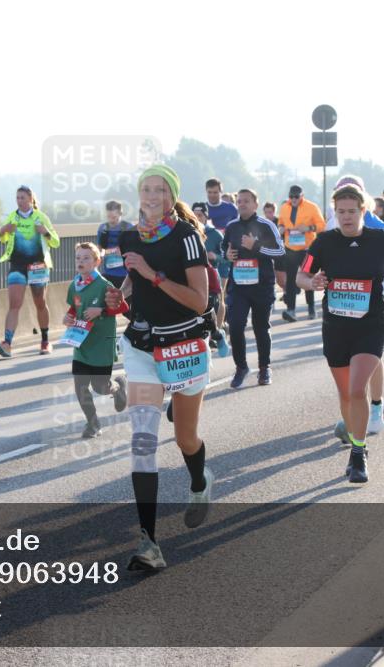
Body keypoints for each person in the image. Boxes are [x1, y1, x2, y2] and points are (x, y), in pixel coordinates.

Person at [103, 164, 212, 571]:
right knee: (143, 441)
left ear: (170, 196)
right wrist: (120, 296)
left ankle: (200, 483)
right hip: (142, 348)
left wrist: (153, 276)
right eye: (145, 189)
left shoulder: (186, 236)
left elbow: (199, 300)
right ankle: (149, 543)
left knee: (186, 438)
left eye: (158, 190)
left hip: (184, 344)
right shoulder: (129, 235)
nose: (150, 196)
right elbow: (132, 284)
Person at [298, 184, 384, 483]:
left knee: (357, 389)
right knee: (346, 394)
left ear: (363, 212)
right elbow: (300, 275)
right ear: (334, 212)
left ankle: (358, 453)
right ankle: (356, 437)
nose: (346, 217)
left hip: (370, 324)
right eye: (340, 212)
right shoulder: (322, 243)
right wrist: (312, 283)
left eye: (351, 212)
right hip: (336, 326)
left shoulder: (379, 239)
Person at [326, 175, 384, 440]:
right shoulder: (333, 223)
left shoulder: (376, 226)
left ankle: (375, 407)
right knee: (348, 372)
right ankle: (354, 416)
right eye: (341, 202)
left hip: (375, 307)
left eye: (352, 207)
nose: (346, 214)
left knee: (370, 360)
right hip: (341, 311)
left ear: (362, 202)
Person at [61, 242, 129, 438]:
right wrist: (68, 317)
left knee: (100, 387)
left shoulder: (104, 285)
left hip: (101, 343)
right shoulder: (75, 285)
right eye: (78, 258)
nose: (81, 262)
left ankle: (117, 387)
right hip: (81, 344)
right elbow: (74, 308)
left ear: (97, 261)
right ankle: (93, 423)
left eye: (86, 258)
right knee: (80, 386)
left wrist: (102, 310)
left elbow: (122, 307)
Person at [221, 189, 284, 387]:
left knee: (260, 328)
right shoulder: (232, 226)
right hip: (238, 286)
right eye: (239, 201)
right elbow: (224, 249)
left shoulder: (266, 225)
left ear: (255, 204)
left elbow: (280, 251)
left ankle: (264, 368)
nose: (242, 204)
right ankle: (241, 367)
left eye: (246, 201)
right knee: (237, 326)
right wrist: (227, 255)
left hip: (262, 286)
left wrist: (255, 246)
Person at [0, 185, 60, 357]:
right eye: (17, 198)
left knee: (40, 303)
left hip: (38, 266)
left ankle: (45, 341)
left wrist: (45, 232)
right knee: (14, 304)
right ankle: (7, 343)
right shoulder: (12, 216)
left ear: (31, 199)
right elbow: (3, 238)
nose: (19, 201)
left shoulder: (41, 217)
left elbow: (56, 242)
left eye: (22, 197)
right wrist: (3, 231)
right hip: (17, 265)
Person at [277, 184, 325, 321]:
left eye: (296, 197)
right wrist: (280, 227)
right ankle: (291, 310)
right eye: (291, 196)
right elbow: (281, 221)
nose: (293, 199)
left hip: (307, 250)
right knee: (290, 280)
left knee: (307, 278)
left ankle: (311, 308)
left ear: (302, 196)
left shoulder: (312, 207)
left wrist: (309, 227)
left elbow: (322, 225)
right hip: (290, 249)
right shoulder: (284, 207)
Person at [193, 202, 229, 357]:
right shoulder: (188, 232)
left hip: (217, 272)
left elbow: (227, 257)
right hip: (198, 274)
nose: (197, 217)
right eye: (194, 214)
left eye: (200, 215)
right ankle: (209, 332)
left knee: (218, 302)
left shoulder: (215, 234)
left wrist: (216, 256)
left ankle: (217, 330)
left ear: (206, 216)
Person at [96, 200, 133, 289]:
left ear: (120, 213)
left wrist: (124, 250)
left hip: (126, 274)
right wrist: (103, 253)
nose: (111, 220)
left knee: (125, 301)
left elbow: (136, 248)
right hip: (108, 273)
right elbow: (99, 249)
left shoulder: (129, 227)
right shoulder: (102, 228)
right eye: (109, 217)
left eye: (114, 217)